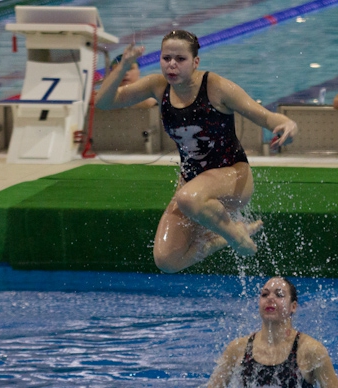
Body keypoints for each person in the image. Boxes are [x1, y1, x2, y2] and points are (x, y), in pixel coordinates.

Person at [94, 30, 298, 273]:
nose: (172, 65)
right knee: (167, 260)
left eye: (180, 59)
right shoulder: (158, 86)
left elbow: (265, 116)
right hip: (192, 188)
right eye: (166, 58)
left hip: (233, 177)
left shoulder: (216, 87)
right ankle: (222, 239)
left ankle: (236, 237)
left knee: (188, 197)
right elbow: (104, 102)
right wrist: (125, 64)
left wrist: (288, 124)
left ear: (195, 62)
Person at [200, 277, 338, 388]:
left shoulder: (311, 350)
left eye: (279, 295)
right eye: (265, 294)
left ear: (293, 306)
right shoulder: (237, 348)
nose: (270, 299)